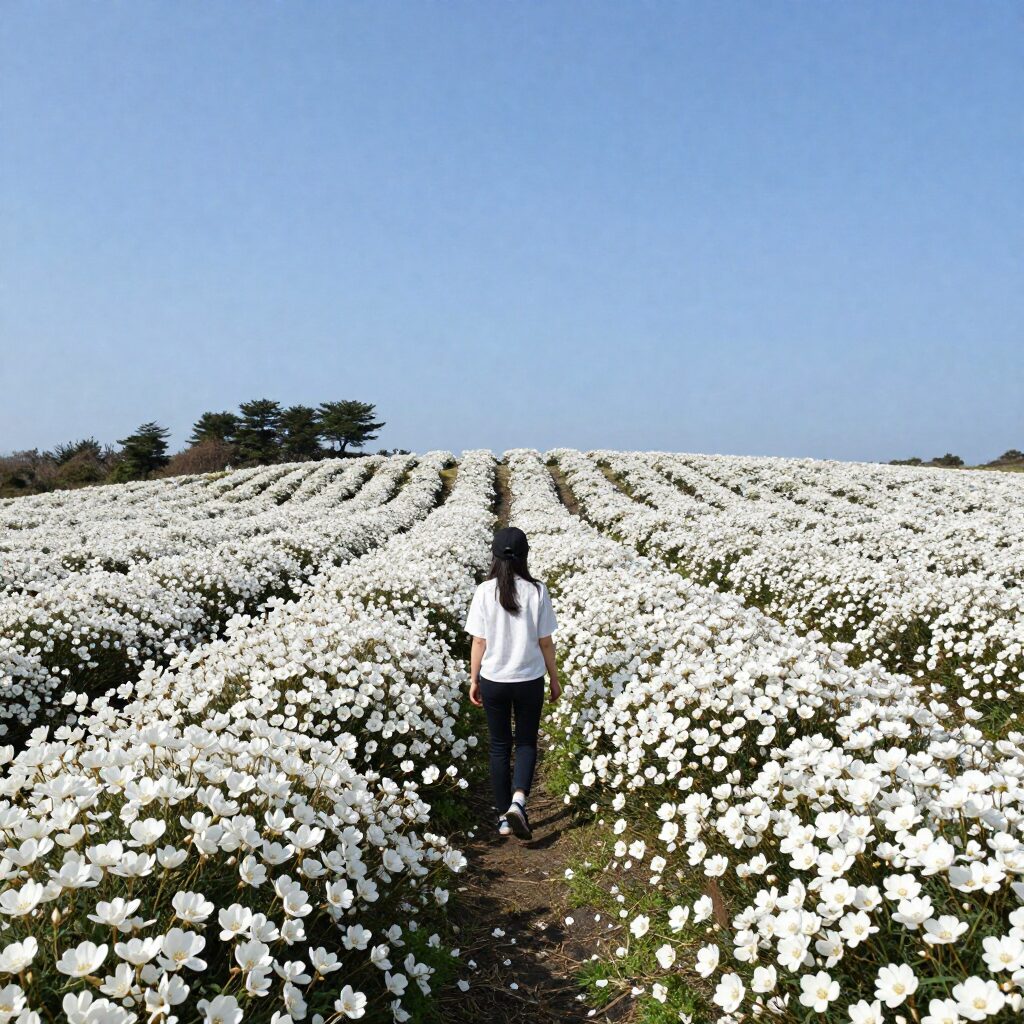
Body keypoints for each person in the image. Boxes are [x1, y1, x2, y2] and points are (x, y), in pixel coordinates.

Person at [465, 526, 561, 840]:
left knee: (499, 747)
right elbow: (545, 642)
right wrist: (555, 679)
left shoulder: (484, 591)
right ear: (525, 556)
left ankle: (504, 817)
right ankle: (519, 802)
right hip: (529, 679)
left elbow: (479, 641)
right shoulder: (537, 591)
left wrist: (473, 678)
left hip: (494, 679)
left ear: (494, 556)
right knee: (526, 743)